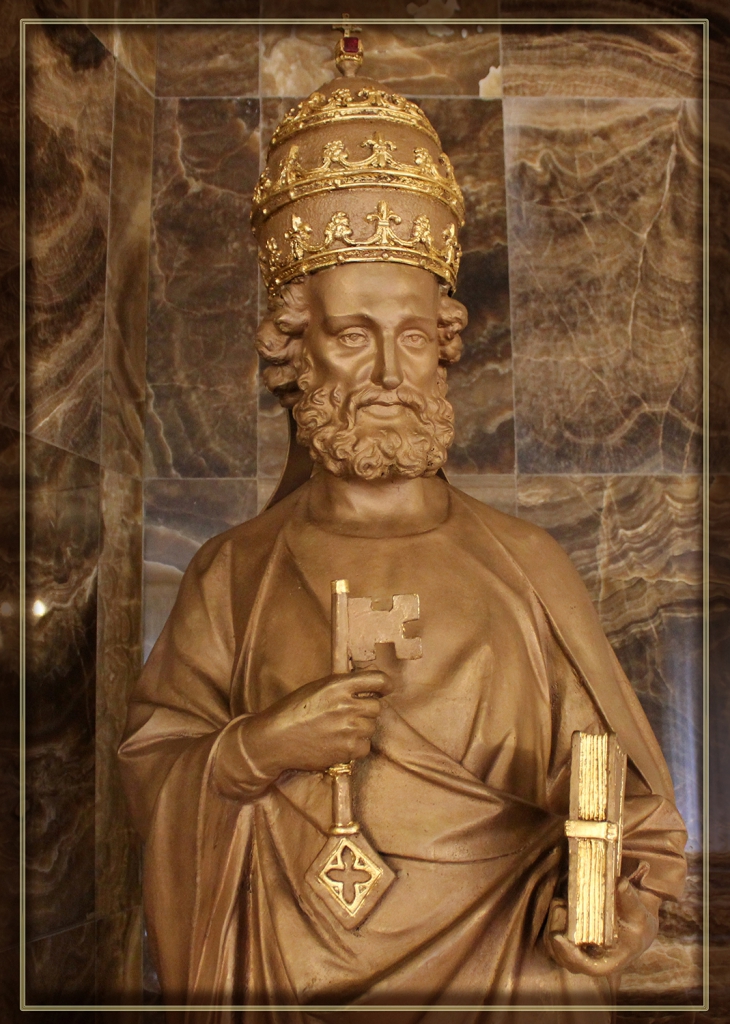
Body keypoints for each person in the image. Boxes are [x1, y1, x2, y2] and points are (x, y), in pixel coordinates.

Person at [119, 40, 687, 1024]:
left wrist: (616, 915)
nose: (388, 371)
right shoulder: (233, 573)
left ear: (444, 349)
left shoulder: (526, 567)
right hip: (285, 980)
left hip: (504, 981)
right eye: (353, 335)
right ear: (295, 353)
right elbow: (153, 773)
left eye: (414, 336)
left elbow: (624, 813)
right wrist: (260, 746)